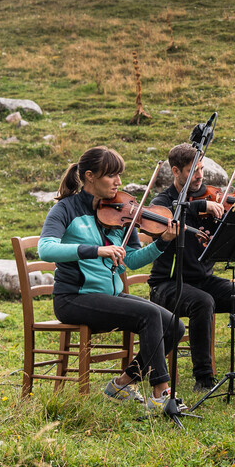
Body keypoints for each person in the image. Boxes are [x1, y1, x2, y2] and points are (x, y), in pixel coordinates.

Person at [38, 146, 185, 410]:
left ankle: (120, 384)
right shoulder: (65, 209)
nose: (118, 182)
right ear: (90, 176)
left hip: (110, 296)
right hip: (74, 298)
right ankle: (160, 394)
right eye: (111, 175)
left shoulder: (121, 212)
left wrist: (163, 242)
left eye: (119, 175)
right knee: (149, 316)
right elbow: (45, 248)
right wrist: (95, 250)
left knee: (174, 326)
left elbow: (131, 260)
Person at [146, 144, 235, 391]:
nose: (200, 176)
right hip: (167, 285)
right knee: (203, 302)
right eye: (192, 171)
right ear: (175, 171)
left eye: (201, 169)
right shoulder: (163, 202)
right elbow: (172, 217)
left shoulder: (211, 199)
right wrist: (200, 207)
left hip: (203, 280)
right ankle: (204, 377)